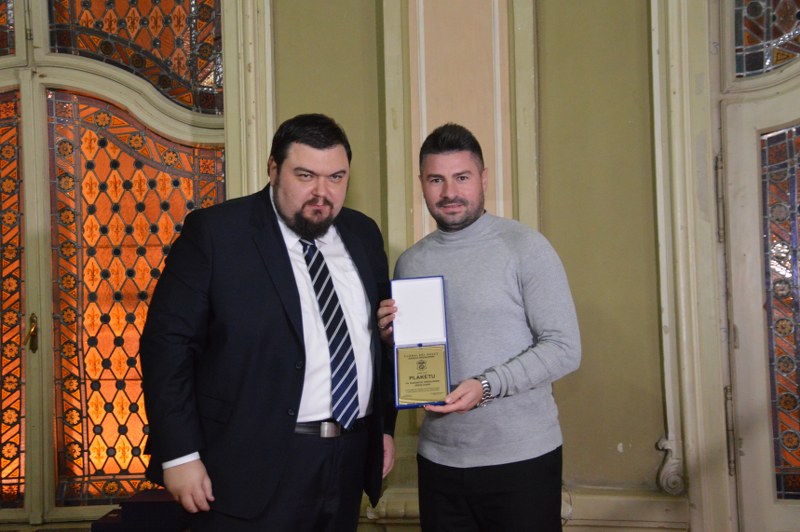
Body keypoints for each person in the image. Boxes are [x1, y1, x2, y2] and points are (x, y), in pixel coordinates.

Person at [140, 113, 397, 531]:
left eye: (336, 177)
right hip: (246, 464)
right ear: (273, 169)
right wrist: (179, 454)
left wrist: (383, 428)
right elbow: (167, 347)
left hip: (348, 459)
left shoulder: (363, 234)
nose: (322, 192)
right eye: (305, 175)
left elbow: (375, 341)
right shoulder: (217, 233)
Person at [377, 123, 580, 531]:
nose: (449, 192)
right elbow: (414, 358)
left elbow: (564, 348)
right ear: (421, 183)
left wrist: (485, 385)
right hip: (439, 459)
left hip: (522, 458)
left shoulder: (525, 247)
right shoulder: (410, 263)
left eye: (462, 177)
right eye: (436, 179)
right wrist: (390, 340)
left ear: (484, 178)